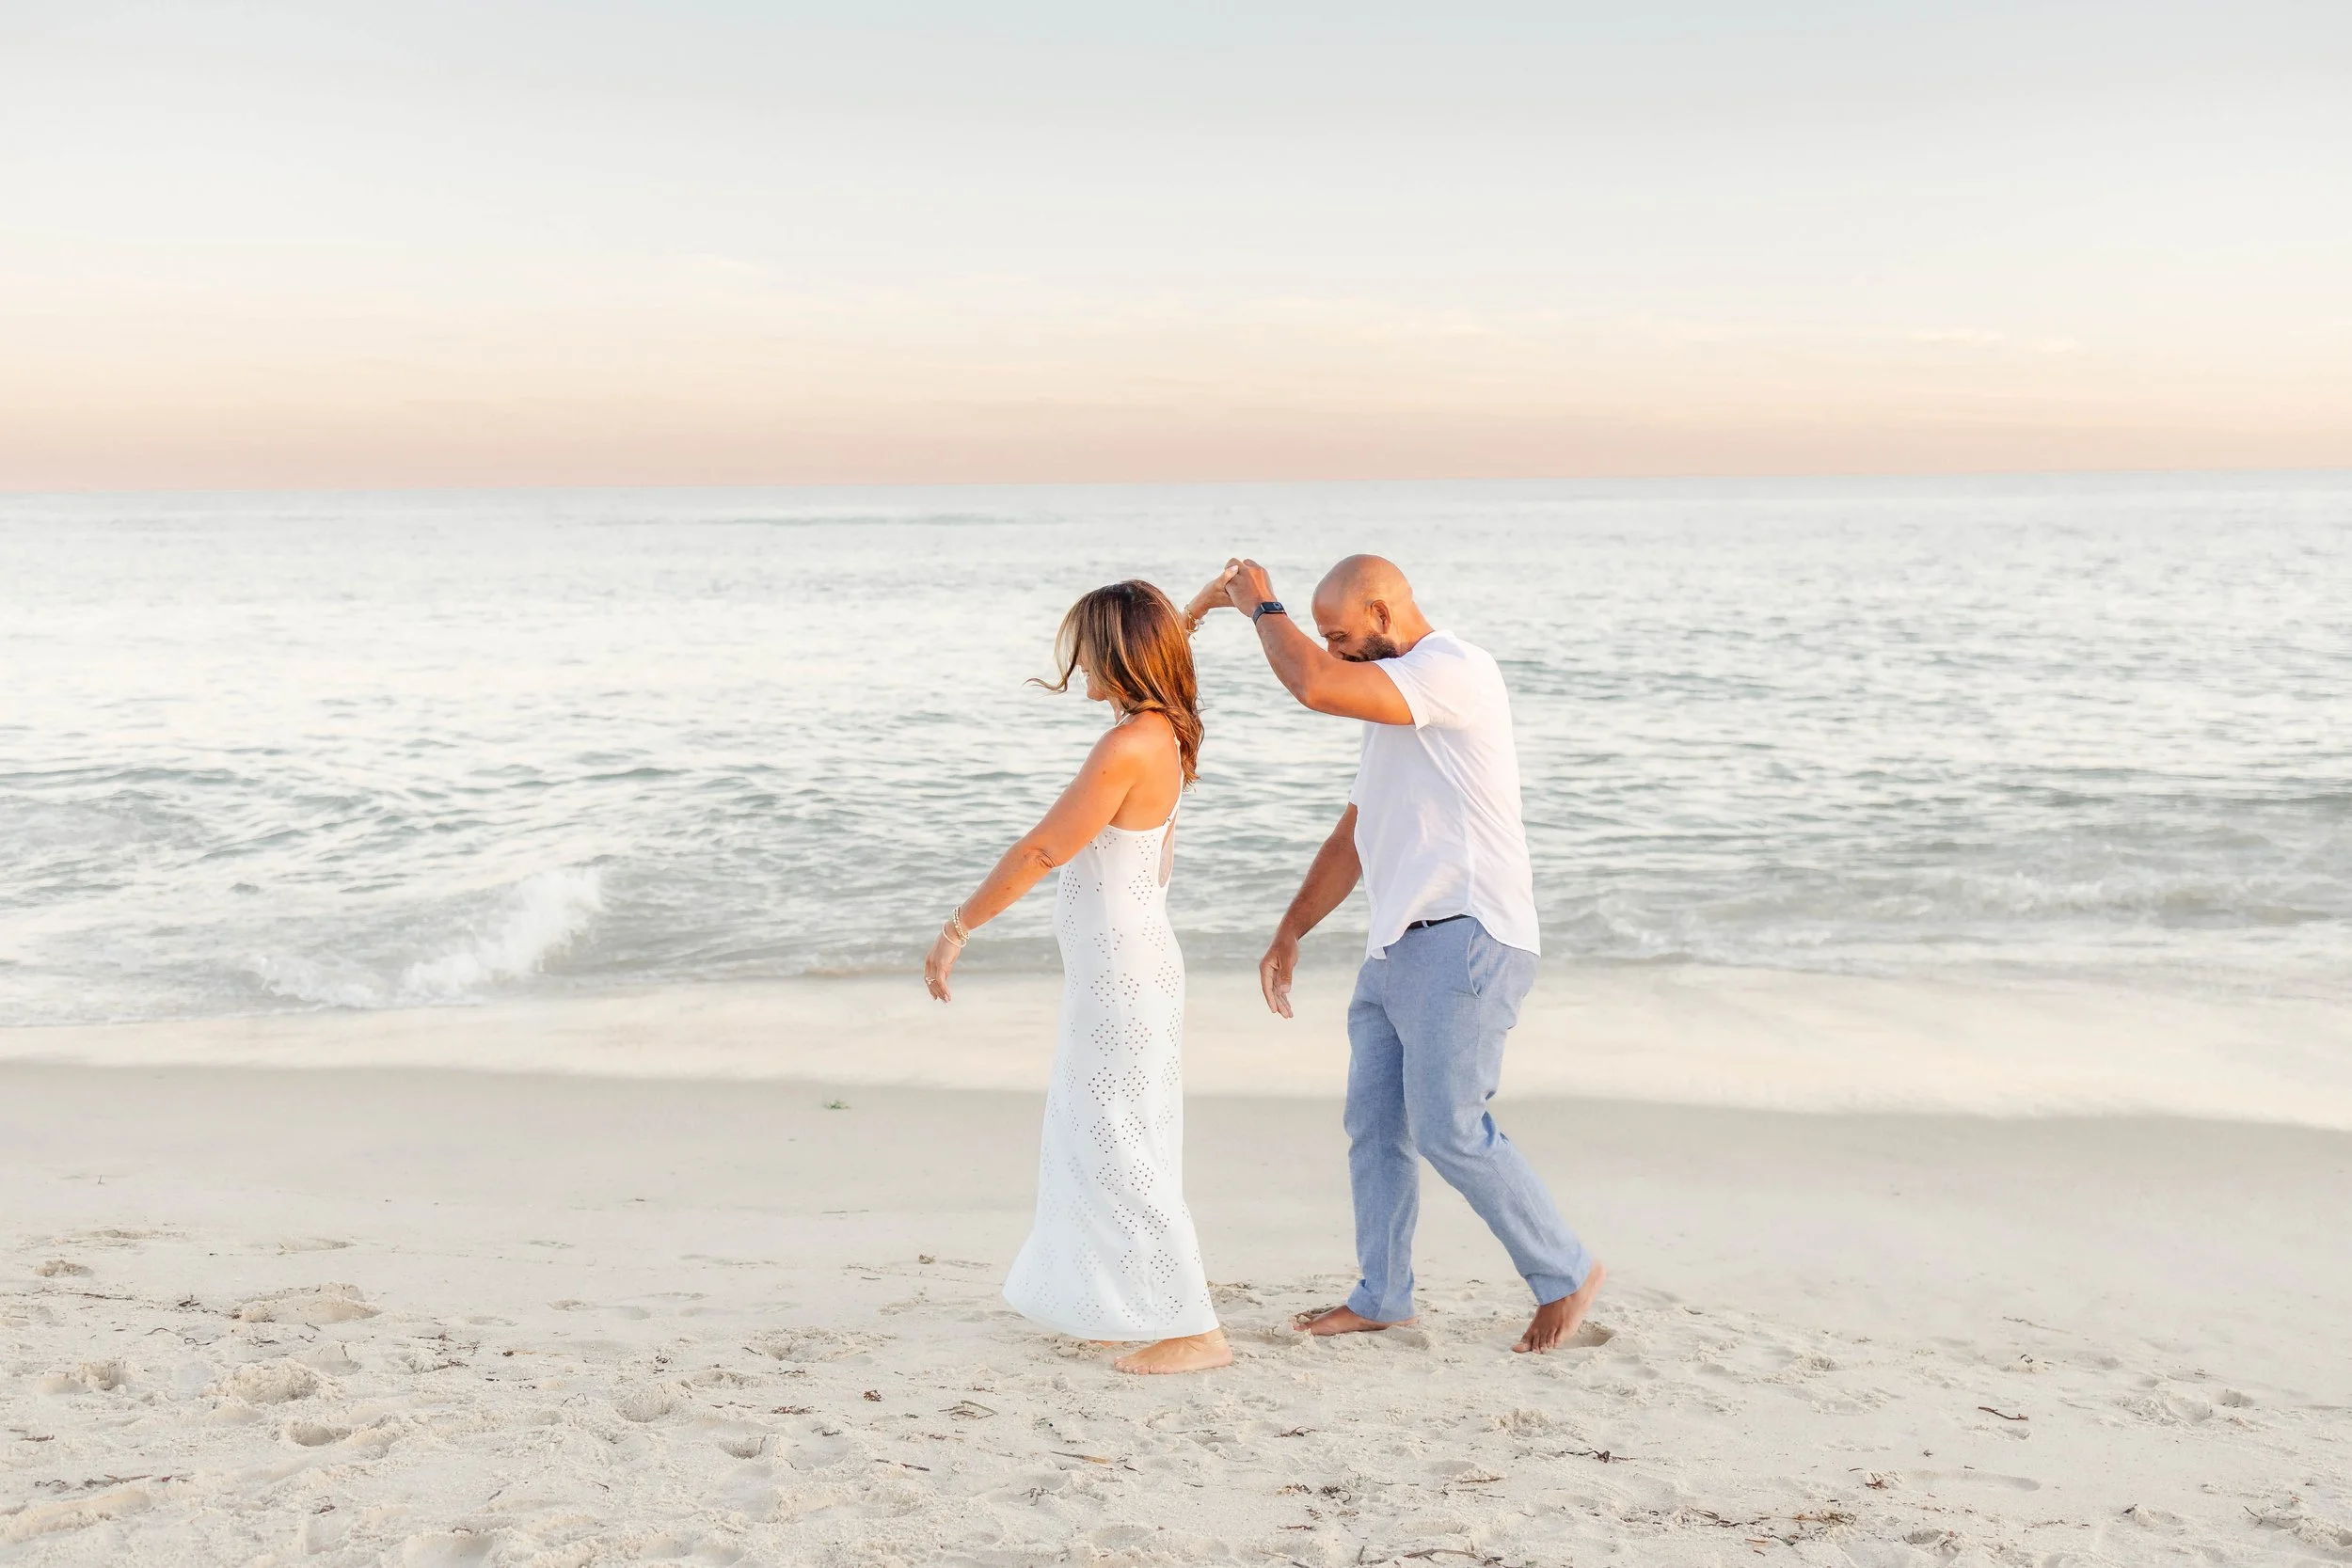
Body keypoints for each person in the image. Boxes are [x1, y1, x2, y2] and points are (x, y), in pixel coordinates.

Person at [1205, 553, 1604, 1354]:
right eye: (1326, 637)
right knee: (1375, 1124)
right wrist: (1290, 931)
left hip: (1466, 934)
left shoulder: (1453, 671)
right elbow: (1359, 833)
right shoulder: (1393, 710)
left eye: (1343, 635)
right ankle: (1382, 1294)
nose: (1337, 651)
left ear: (1384, 614)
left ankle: (1565, 1270)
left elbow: (1313, 683)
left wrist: (1262, 605)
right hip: (1395, 946)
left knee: (1450, 1126)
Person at [923, 575, 1237, 1375]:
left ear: (1121, 654)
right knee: (1105, 1135)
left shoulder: (1130, 742)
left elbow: (1042, 849)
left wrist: (959, 928)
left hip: (1124, 977)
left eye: (1090, 645)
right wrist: (1194, 609)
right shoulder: (1166, 728)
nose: (1078, 661)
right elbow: (1170, 651)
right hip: (1127, 970)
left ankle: (1196, 1327)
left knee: (1119, 1138)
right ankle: (1125, 1300)